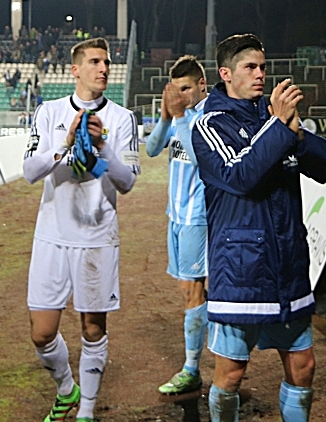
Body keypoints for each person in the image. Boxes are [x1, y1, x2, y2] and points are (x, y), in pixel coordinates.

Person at [191, 34, 326, 422]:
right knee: (231, 374)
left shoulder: (276, 123)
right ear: (225, 74)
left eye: (263, 67)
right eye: (250, 67)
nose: (260, 74)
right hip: (241, 268)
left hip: (288, 267)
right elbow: (241, 176)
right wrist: (278, 127)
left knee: (303, 366)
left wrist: (298, 134)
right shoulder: (210, 124)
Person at [22, 37, 141, 422]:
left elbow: (127, 182)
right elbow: (29, 172)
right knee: (41, 333)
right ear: (75, 70)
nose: (103, 68)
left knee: (92, 327)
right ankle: (67, 390)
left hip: (97, 238)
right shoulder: (48, 112)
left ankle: (86, 412)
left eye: (106, 62)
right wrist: (66, 143)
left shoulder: (123, 119)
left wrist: (103, 153)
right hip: (51, 236)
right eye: (94, 62)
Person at [145, 55, 209, 396]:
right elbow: (154, 149)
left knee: (191, 290)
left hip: (197, 217)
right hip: (175, 215)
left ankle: (192, 368)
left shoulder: (211, 116)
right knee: (194, 291)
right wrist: (164, 117)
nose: (181, 95)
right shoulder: (179, 116)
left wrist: (180, 116)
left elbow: (200, 157)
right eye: (177, 90)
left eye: (187, 88)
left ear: (202, 85)